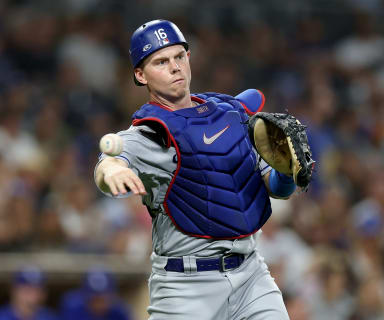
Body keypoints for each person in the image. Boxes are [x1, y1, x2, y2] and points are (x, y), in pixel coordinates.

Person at [94, 19, 302, 319]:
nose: (175, 66)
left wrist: (285, 172)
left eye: (179, 56)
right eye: (161, 61)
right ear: (140, 75)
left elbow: (273, 187)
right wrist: (110, 172)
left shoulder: (230, 113)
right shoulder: (150, 133)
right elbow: (109, 162)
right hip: (185, 287)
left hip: (251, 275)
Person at [59, 268, 130, 320]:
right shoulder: (73, 307)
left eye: (103, 300)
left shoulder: (119, 311)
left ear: (112, 297)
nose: (98, 304)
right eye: (94, 300)